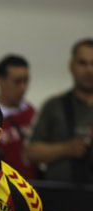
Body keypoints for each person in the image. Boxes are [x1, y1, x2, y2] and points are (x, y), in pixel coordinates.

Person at [27, 38, 93, 183]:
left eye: (92, 63)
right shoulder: (54, 106)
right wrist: (67, 149)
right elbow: (31, 152)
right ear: (71, 66)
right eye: (82, 63)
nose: (89, 70)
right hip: (60, 196)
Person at [0, 55, 39, 180]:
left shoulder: (32, 114)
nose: (23, 88)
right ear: (0, 81)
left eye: (26, 81)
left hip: (32, 185)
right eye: (17, 81)